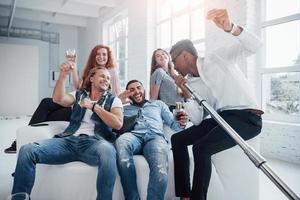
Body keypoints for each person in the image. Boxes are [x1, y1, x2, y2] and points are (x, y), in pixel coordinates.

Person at [169, 9, 264, 200]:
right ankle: (185, 195)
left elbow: (255, 45)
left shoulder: (216, 58)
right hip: (220, 118)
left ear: (185, 56)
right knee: (177, 140)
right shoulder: (192, 83)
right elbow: (196, 120)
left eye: (174, 60)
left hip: (247, 117)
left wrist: (230, 28)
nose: (173, 66)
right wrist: (186, 93)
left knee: (201, 148)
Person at [11, 65, 123, 200]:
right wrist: (63, 75)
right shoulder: (79, 95)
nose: (106, 80)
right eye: (103, 76)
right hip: (68, 141)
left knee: (108, 150)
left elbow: (117, 123)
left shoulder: (114, 100)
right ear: (92, 78)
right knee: (27, 150)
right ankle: (19, 197)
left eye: (108, 78)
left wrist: (94, 106)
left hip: (95, 143)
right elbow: (58, 99)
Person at [5, 44, 121, 153]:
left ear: (108, 56)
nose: (101, 56)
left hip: (96, 108)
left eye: (104, 54)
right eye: (98, 54)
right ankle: (22, 141)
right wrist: (71, 69)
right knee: (47, 104)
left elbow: (116, 94)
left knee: (48, 112)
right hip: (81, 104)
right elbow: (79, 88)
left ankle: (22, 143)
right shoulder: (90, 70)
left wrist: (115, 102)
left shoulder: (111, 72)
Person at [115, 80, 188, 200]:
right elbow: (111, 125)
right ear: (127, 93)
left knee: (160, 169)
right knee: (121, 141)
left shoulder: (158, 104)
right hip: (134, 136)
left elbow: (175, 126)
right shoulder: (123, 108)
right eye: (131, 90)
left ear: (144, 90)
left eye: (139, 88)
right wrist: (118, 102)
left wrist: (182, 122)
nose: (136, 91)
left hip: (156, 138)